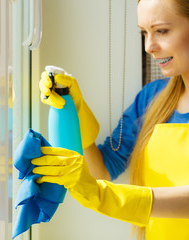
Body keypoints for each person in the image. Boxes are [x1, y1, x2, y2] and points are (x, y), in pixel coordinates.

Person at [34, 0, 189, 239]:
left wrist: (102, 196)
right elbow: (103, 170)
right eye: (144, 33)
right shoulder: (151, 98)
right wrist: (75, 110)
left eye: (161, 31)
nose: (149, 46)